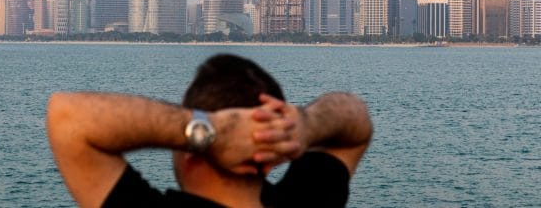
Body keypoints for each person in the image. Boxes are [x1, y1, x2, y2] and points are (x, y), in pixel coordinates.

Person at [46, 55, 372, 208]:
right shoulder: (304, 202)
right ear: (274, 155)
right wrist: (305, 124)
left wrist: (209, 130)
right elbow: (356, 124)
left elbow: (67, 117)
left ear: (188, 147)